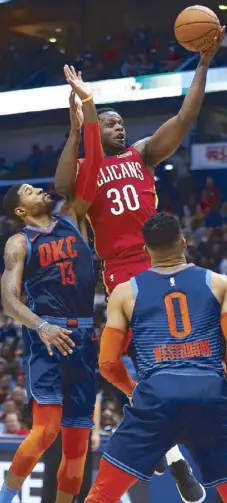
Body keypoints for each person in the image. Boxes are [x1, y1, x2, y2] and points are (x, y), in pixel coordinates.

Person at [55, 32, 225, 503]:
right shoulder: (88, 171)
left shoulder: (144, 155)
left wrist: (203, 64)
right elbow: (63, 185)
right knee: (128, 369)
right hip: (124, 277)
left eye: (122, 122)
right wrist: (78, 126)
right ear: (96, 131)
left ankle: (177, 448)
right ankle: (172, 454)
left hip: (170, 263)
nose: (119, 127)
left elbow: (185, 117)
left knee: (193, 361)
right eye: (109, 122)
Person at [0, 76, 103, 503]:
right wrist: (40, 326)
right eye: (29, 190)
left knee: (78, 444)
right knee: (45, 431)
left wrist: (77, 124)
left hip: (84, 336)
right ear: (21, 210)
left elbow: (79, 172)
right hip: (48, 334)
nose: (40, 188)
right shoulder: (19, 242)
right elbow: (7, 301)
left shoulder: (72, 216)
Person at [85, 212, 227, 503]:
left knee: (101, 496)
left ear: (146, 251)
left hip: (156, 398)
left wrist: (135, 392)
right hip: (210, 393)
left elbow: (109, 364)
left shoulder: (125, 293)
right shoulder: (220, 284)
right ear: (184, 243)